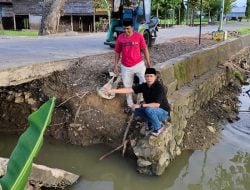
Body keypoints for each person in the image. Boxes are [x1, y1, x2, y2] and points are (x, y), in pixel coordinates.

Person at [105, 68, 170, 136]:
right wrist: (113, 91)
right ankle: (152, 123)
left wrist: (140, 105)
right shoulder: (144, 86)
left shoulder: (159, 88)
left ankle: (159, 127)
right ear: (144, 77)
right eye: (147, 76)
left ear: (155, 77)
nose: (149, 78)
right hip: (154, 110)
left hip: (164, 113)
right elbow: (129, 90)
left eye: (151, 76)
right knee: (135, 109)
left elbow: (156, 105)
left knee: (148, 110)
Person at [114, 19, 151, 113]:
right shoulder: (120, 38)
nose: (126, 31)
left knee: (144, 82)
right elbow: (117, 52)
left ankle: (140, 101)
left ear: (132, 28)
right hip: (126, 66)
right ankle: (130, 105)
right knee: (127, 86)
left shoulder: (138, 36)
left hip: (139, 64)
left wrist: (148, 62)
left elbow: (145, 49)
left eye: (128, 29)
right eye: (124, 29)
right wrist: (115, 65)